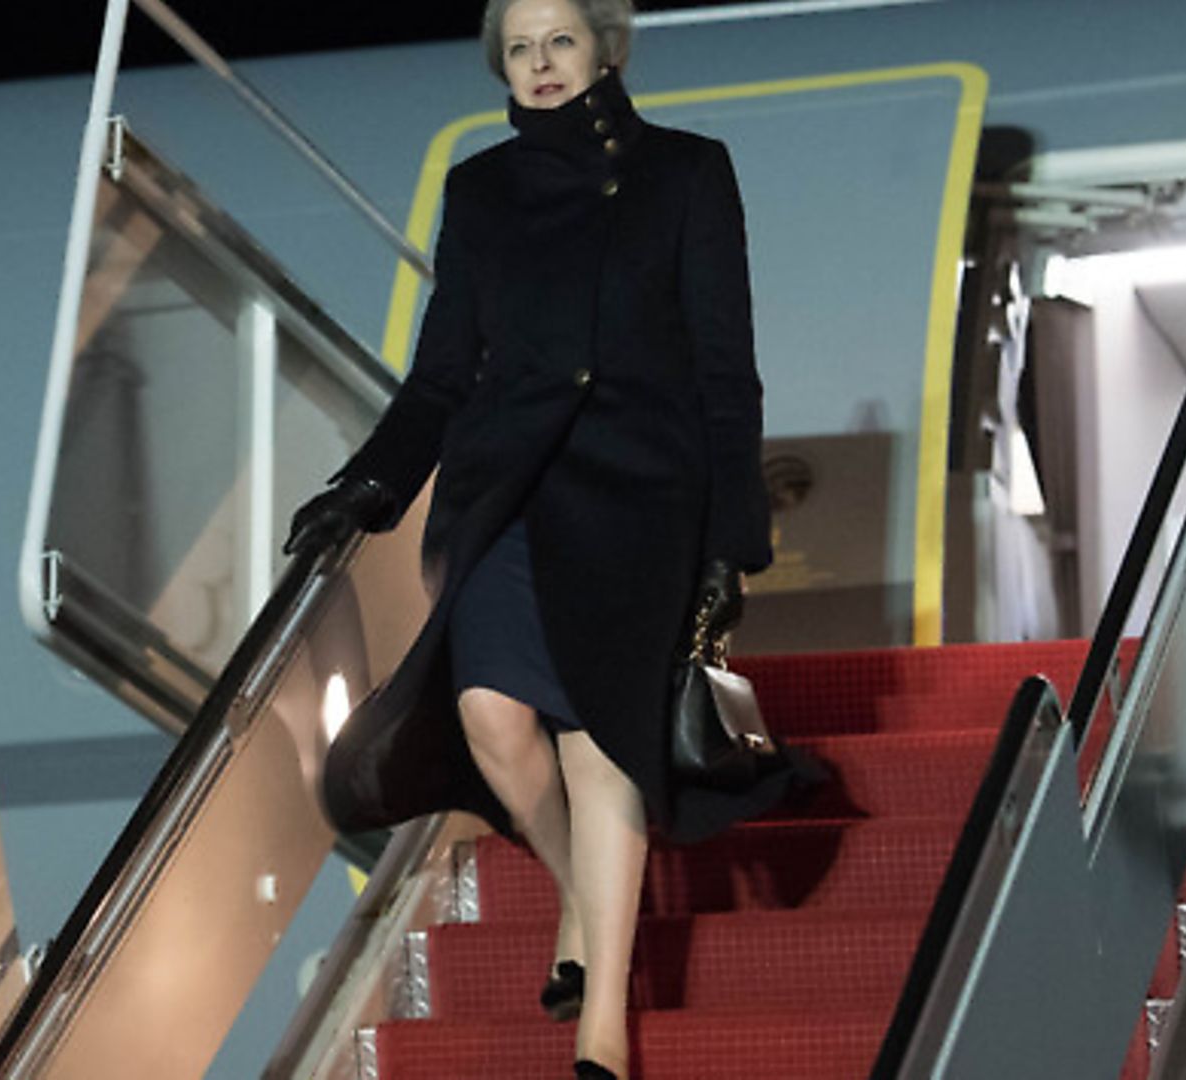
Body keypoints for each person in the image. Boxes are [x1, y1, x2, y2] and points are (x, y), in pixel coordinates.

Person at [287, 1, 814, 1075]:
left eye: (559, 41)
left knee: (598, 739)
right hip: (503, 492)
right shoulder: (480, 191)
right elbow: (442, 376)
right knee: (490, 715)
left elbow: (726, 369)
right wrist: (368, 484)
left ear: (606, 47)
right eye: (518, 48)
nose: (538, 64)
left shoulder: (687, 174)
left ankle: (603, 1028)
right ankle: (582, 895)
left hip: (635, 497)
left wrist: (728, 541)